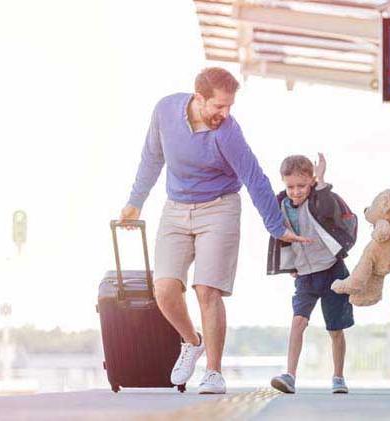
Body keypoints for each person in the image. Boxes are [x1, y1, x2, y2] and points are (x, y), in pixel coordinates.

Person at [119, 67, 309, 394]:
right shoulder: (165, 110)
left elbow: (254, 177)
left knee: (207, 290)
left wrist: (276, 226)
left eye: (230, 107)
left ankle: (214, 372)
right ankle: (192, 342)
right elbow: (152, 157)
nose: (225, 113)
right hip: (176, 207)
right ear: (199, 98)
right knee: (164, 289)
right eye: (219, 106)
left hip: (219, 207)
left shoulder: (228, 133)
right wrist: (135, 202)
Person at [267, 153, 358, 394]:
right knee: (298, 321)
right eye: (290, 186)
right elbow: (280, 238)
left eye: (302, 185)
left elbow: (330, 210)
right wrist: (290, 266)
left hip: (332, 271)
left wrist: (321, 181)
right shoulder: (282, 205)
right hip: (306, 276)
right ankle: (290, 375)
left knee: (335, 329)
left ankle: (338, 377)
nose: (296, 191)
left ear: (311, 182)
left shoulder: (319, 200)